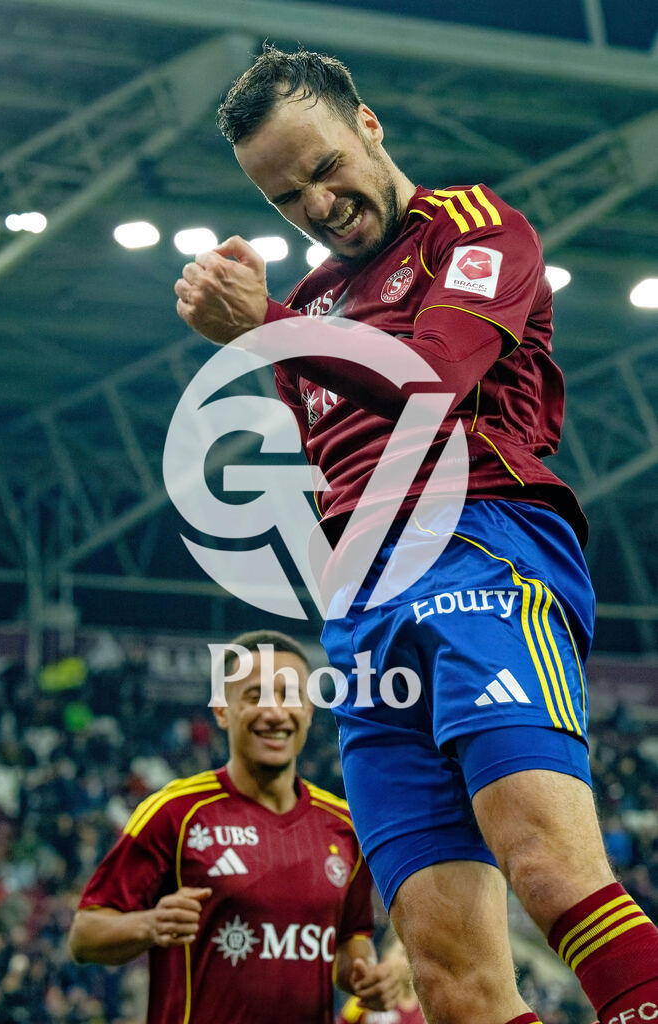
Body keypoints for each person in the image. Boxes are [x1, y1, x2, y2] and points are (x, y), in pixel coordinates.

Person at [174, 46, 658, 1024]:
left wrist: (262, 325)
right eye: (284, 196)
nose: (314, 203)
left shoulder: (476, 231)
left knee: (544, 865)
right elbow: (328, 472)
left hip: (479, 546)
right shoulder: (311, 305)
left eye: (322, 168)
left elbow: (430, 383)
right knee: (446, 978)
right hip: (361, 612)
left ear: (368, 127)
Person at [69, 630, 399, 1024]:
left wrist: (367, 977)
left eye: (289, 696)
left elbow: (350, 939)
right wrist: (150, 924)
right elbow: (84, 935)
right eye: (254, 695)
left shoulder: (343, 824)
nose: (274, 712)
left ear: (309, 710)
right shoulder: (174, 813)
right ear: (222, 710)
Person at [337, 928, 426, 1024]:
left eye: (414, 955)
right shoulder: (367, 999)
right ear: (386, 957)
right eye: (403, 954)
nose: (409, 961)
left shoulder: (430, 1006)